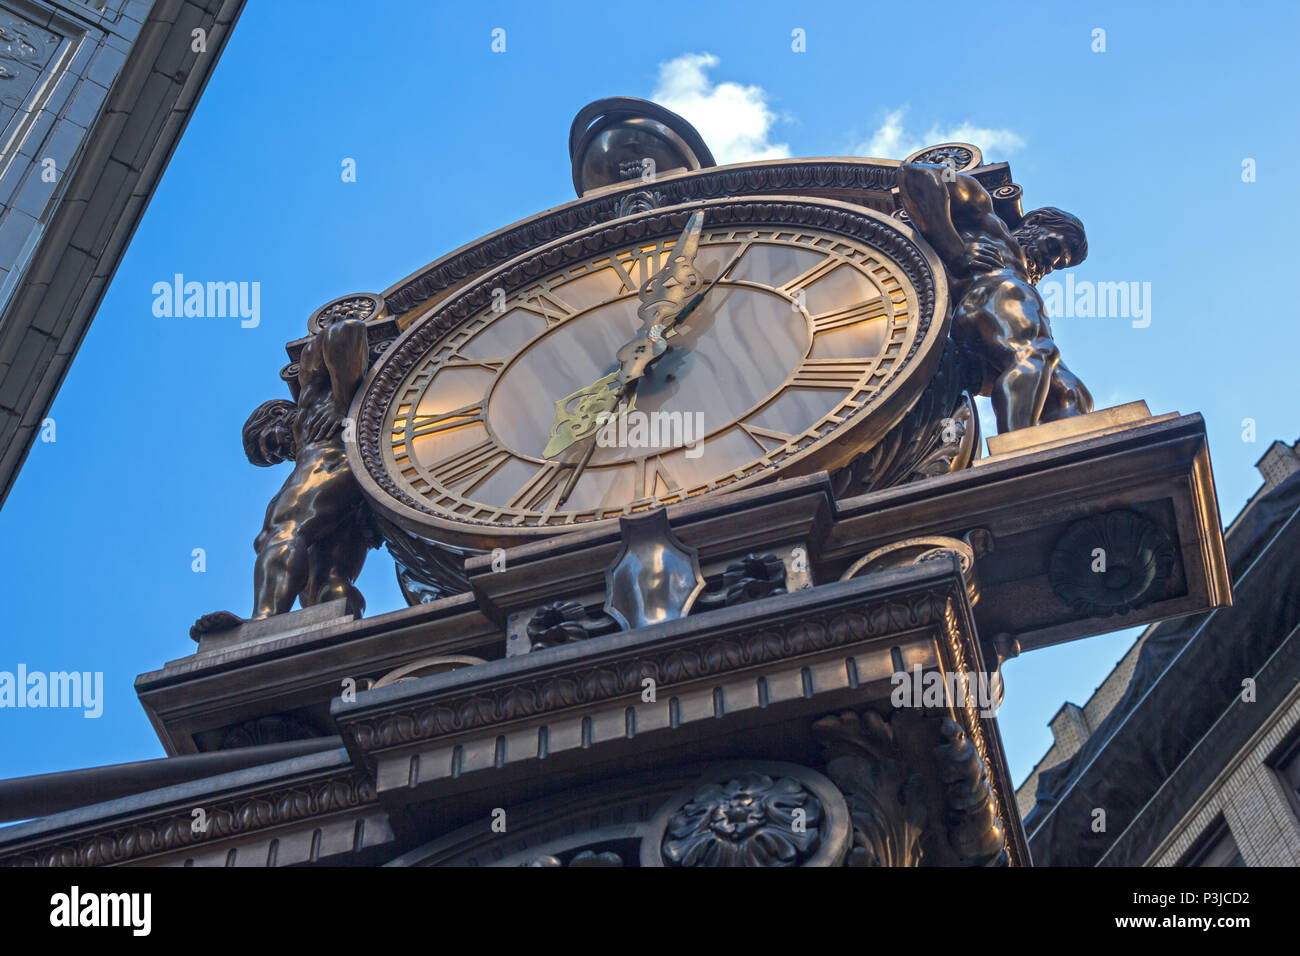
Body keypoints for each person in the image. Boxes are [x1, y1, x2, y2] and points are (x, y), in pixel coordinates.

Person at [190, 317, 376, 640]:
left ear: (276, 414)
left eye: (270, 443)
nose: (279, 452)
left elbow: (347, 329)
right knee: (324, 582)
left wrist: (345, 404)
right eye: (273, 458)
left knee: (281, 529)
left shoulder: (311, 396)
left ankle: (264, 621)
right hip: (360, 486)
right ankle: (337, 642)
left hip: (333, 465)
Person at [897, 162, 1093, 432]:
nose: (1053, 260)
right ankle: (1018, 449)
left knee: (1072, 394)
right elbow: (918, 173)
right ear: (1034, 223)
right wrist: (954, 251)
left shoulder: (1021, 274)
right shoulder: (988, 222)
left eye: (1059, 263)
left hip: (999, 324)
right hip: (987, 299)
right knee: (1035, 353)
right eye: (1055, 246)